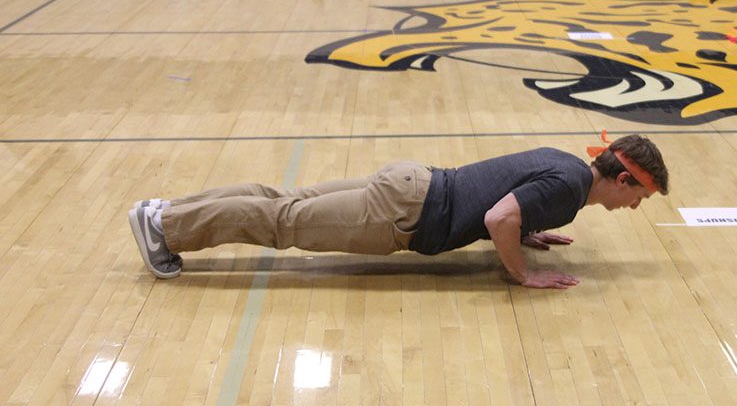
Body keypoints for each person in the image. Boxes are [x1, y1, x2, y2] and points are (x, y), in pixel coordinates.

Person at [129, 135, 670, 289]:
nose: (633, 206)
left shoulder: (567, 167)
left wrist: (526, 228)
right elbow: (498, 217)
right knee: (281, 221)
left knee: (281, 200)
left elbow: (509, 200)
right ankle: (164, 228)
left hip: (413, 182)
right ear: (624, 178)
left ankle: (167, 211)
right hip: (407, 214)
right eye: (639, 196)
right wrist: (522, 273)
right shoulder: (570, 190)